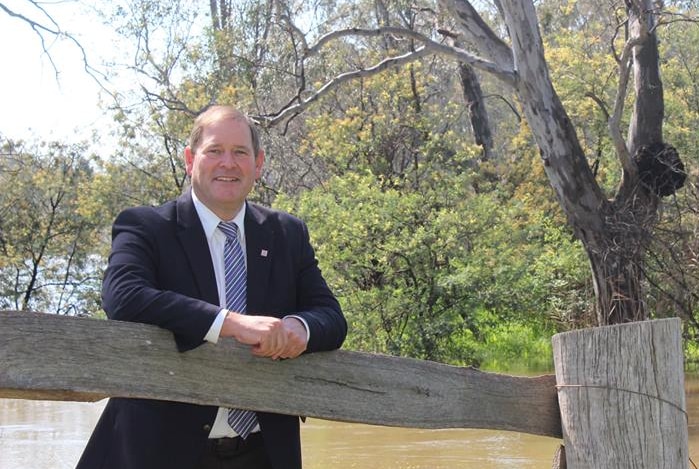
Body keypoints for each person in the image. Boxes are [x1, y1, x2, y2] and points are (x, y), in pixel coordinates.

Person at [76, 105, 347, 469]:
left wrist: (299, 328)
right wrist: (231, 324)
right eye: (215, 151)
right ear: (190, 159)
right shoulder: (145, 226)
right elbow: (123, 297)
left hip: (263, 451)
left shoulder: (287, 233)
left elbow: (330, 315)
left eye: (240, 153)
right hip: (157, 450)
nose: (228, 163)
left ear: (258, 163)